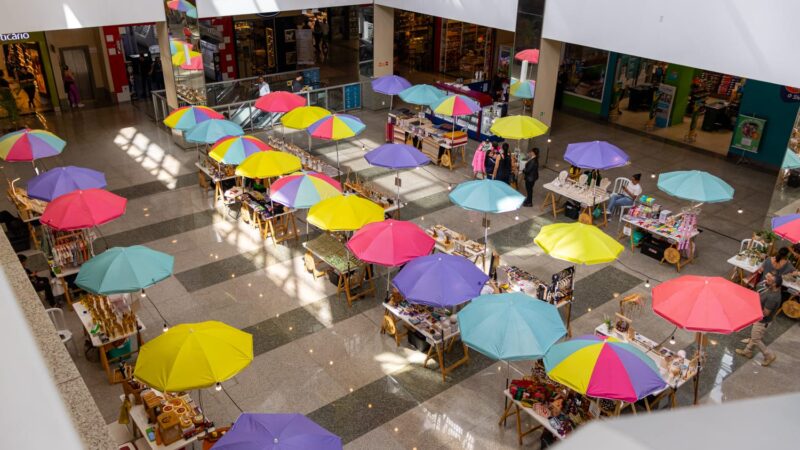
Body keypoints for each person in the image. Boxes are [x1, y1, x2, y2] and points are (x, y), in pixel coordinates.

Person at [735, 272, 780, 366]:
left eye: (769, 280)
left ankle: (769, 355)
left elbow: (765, 313)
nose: (766, 281)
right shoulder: (772, 289)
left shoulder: (772, 297)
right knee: (754, 336)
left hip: (762, 322)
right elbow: (759, 288)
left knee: (756, 339)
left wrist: (752, 310)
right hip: (762, 321)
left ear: (775, 284)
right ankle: (747, 351)